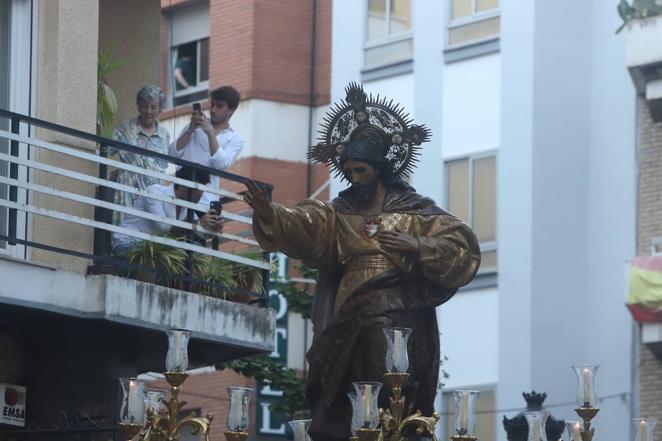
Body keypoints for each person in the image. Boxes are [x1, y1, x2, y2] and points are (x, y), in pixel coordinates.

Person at [243, 84, 481, 441]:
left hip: (399, 311)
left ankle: (396, 425)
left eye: (361, 171)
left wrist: (415, 243)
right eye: (350, 171)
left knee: (393, 380)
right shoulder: (339, 213)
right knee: (350, 387)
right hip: (350, 309)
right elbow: (304, 223)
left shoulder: (415, 211)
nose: (354, 179)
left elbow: (462, 247)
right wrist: (270, 214)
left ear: (380, 169)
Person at [112, 167, 223, 255]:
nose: (200, 193)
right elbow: (163, 227)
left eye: (203, 189)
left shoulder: (188, 206)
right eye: (197, 188)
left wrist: (213, 228)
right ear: (182, 184)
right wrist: (197, 223)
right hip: (128, 244)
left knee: (197, 249)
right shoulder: (155, 192)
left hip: (157, 250)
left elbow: (200, 233)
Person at [169, 85, 244, 207]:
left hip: (206, 199)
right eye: (212, 105)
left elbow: (221, 165)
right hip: (179, 191)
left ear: (231, 109)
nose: (213, 110)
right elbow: (172, 153)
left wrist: (210, 133)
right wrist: (190, 129)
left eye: (219, 106)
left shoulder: (236, 139)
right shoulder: (195, 124)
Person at [110, 85, 170, 226]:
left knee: (151, 237)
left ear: (160, 109)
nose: (149, 111)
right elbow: (103, 150)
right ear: (138, 106)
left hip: (153, 196)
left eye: (154, 107)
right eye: (144, 106)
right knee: (125, 236)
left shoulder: (164, 134)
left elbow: (163, 167)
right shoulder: (125, 129)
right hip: (128, 193)